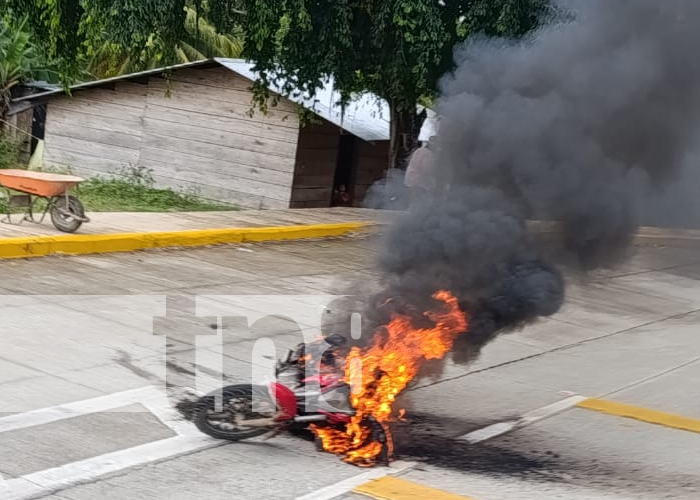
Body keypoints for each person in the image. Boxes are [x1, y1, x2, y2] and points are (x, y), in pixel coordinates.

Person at [403, 136, 438, 207]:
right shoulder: (429, 154)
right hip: (419, 180)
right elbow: (428, 169)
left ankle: (413, 212)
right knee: (419, 200)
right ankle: (416, 214)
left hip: (411, 178)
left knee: (415, 198)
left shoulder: (419, 150)